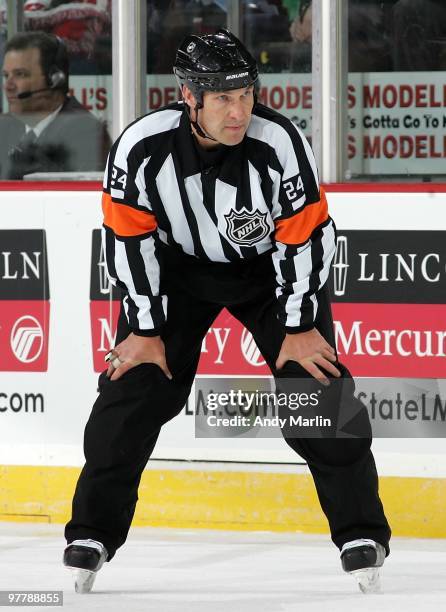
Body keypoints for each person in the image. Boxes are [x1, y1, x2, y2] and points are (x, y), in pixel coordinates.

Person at [63, 29, 391, 594]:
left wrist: (300, 325)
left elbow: (308, 236)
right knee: (132, 394)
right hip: (177, 277)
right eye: (222, 98)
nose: (238, 110)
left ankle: (362, 533)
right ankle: (93, 532)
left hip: (268, 276)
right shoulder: (142, 147)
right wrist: (144, 327)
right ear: (189, 95)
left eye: (245, 94)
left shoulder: (279, 142)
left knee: (316, 393)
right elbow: (126, 240)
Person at [0, 31, 111, 180]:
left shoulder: (87, 133)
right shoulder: (6, 127)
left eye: (20, 74)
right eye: (6, 76)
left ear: (55, 79)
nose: (8, 86)